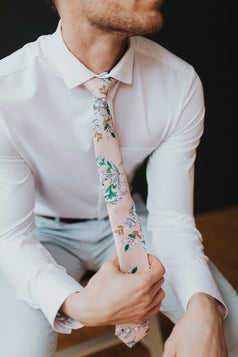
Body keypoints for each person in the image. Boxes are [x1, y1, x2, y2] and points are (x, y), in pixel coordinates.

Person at [0, 0, 237, 356]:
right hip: (37, 232)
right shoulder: (8, 91)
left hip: (132, 224)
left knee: (229, 325)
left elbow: (172, 221)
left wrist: (204, 306)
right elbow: (10, 236)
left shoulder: (178, 82)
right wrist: (80, 306)